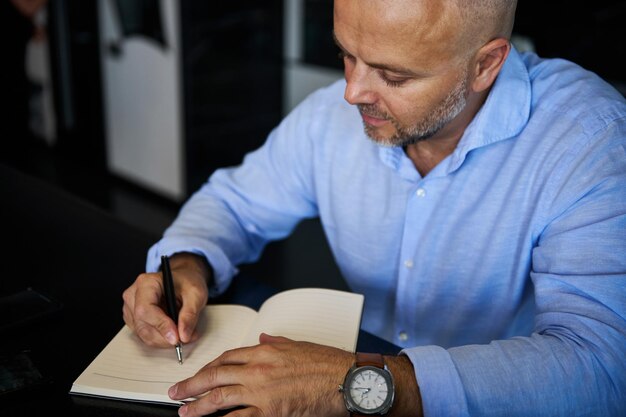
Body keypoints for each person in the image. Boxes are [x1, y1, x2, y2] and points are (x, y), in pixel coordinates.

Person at [121, 0, 626, 416]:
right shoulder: (328, 117)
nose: (352, 92)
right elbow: (234, 203)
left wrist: (361, 383)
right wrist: (188, 264)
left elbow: (602, 369)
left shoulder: (591, 140)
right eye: (346, 54)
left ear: (485, 65)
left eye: (393, 76)